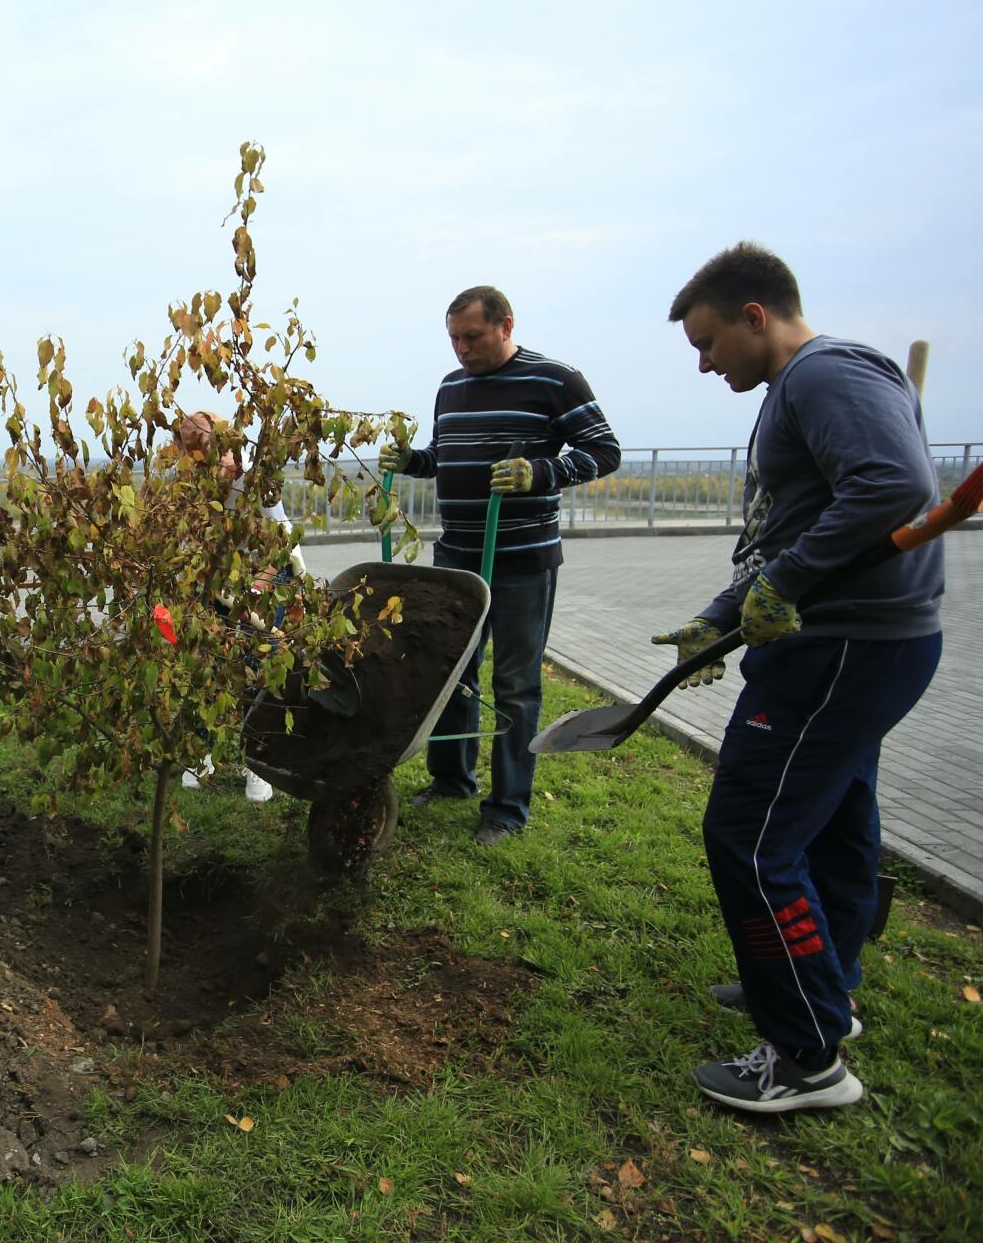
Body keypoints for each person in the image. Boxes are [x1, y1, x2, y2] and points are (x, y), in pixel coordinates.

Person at [659, 242, 943, 1113]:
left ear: (755, 316)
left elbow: (893, 483)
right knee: (835, 824)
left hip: (841, 648)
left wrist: (783, 586)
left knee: (748, 835)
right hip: (857, 645)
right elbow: (792, 528)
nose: (705, 365)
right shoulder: (803, 384)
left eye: (708, 344)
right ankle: (825, 986)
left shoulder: (825, 375)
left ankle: (805, 1055)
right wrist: (724, 610)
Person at [382, 286, 621, 844]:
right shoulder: (451, 387)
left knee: (515, 684)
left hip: (522, 560)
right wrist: (414, 460)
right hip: (457, 556)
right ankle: (451, 780)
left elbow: (605, 451)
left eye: (473, 336)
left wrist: (540, 472)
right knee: (449, 671)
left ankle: (507, 808)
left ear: (506, 325)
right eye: (454, 339)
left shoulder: (555, 380)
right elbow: (447, 457)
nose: (462, 349)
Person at [172, 410, 301, 803]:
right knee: (204, 663)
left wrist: (253, 597)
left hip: (267, 573)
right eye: (198, 462)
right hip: (216, 577)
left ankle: (256, 762)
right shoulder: (187, 482)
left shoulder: (256, 483)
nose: (211, 471)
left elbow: (278, 550)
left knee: (257, 668)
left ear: (230, 450)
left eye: (217, 459)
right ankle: (201, 753)